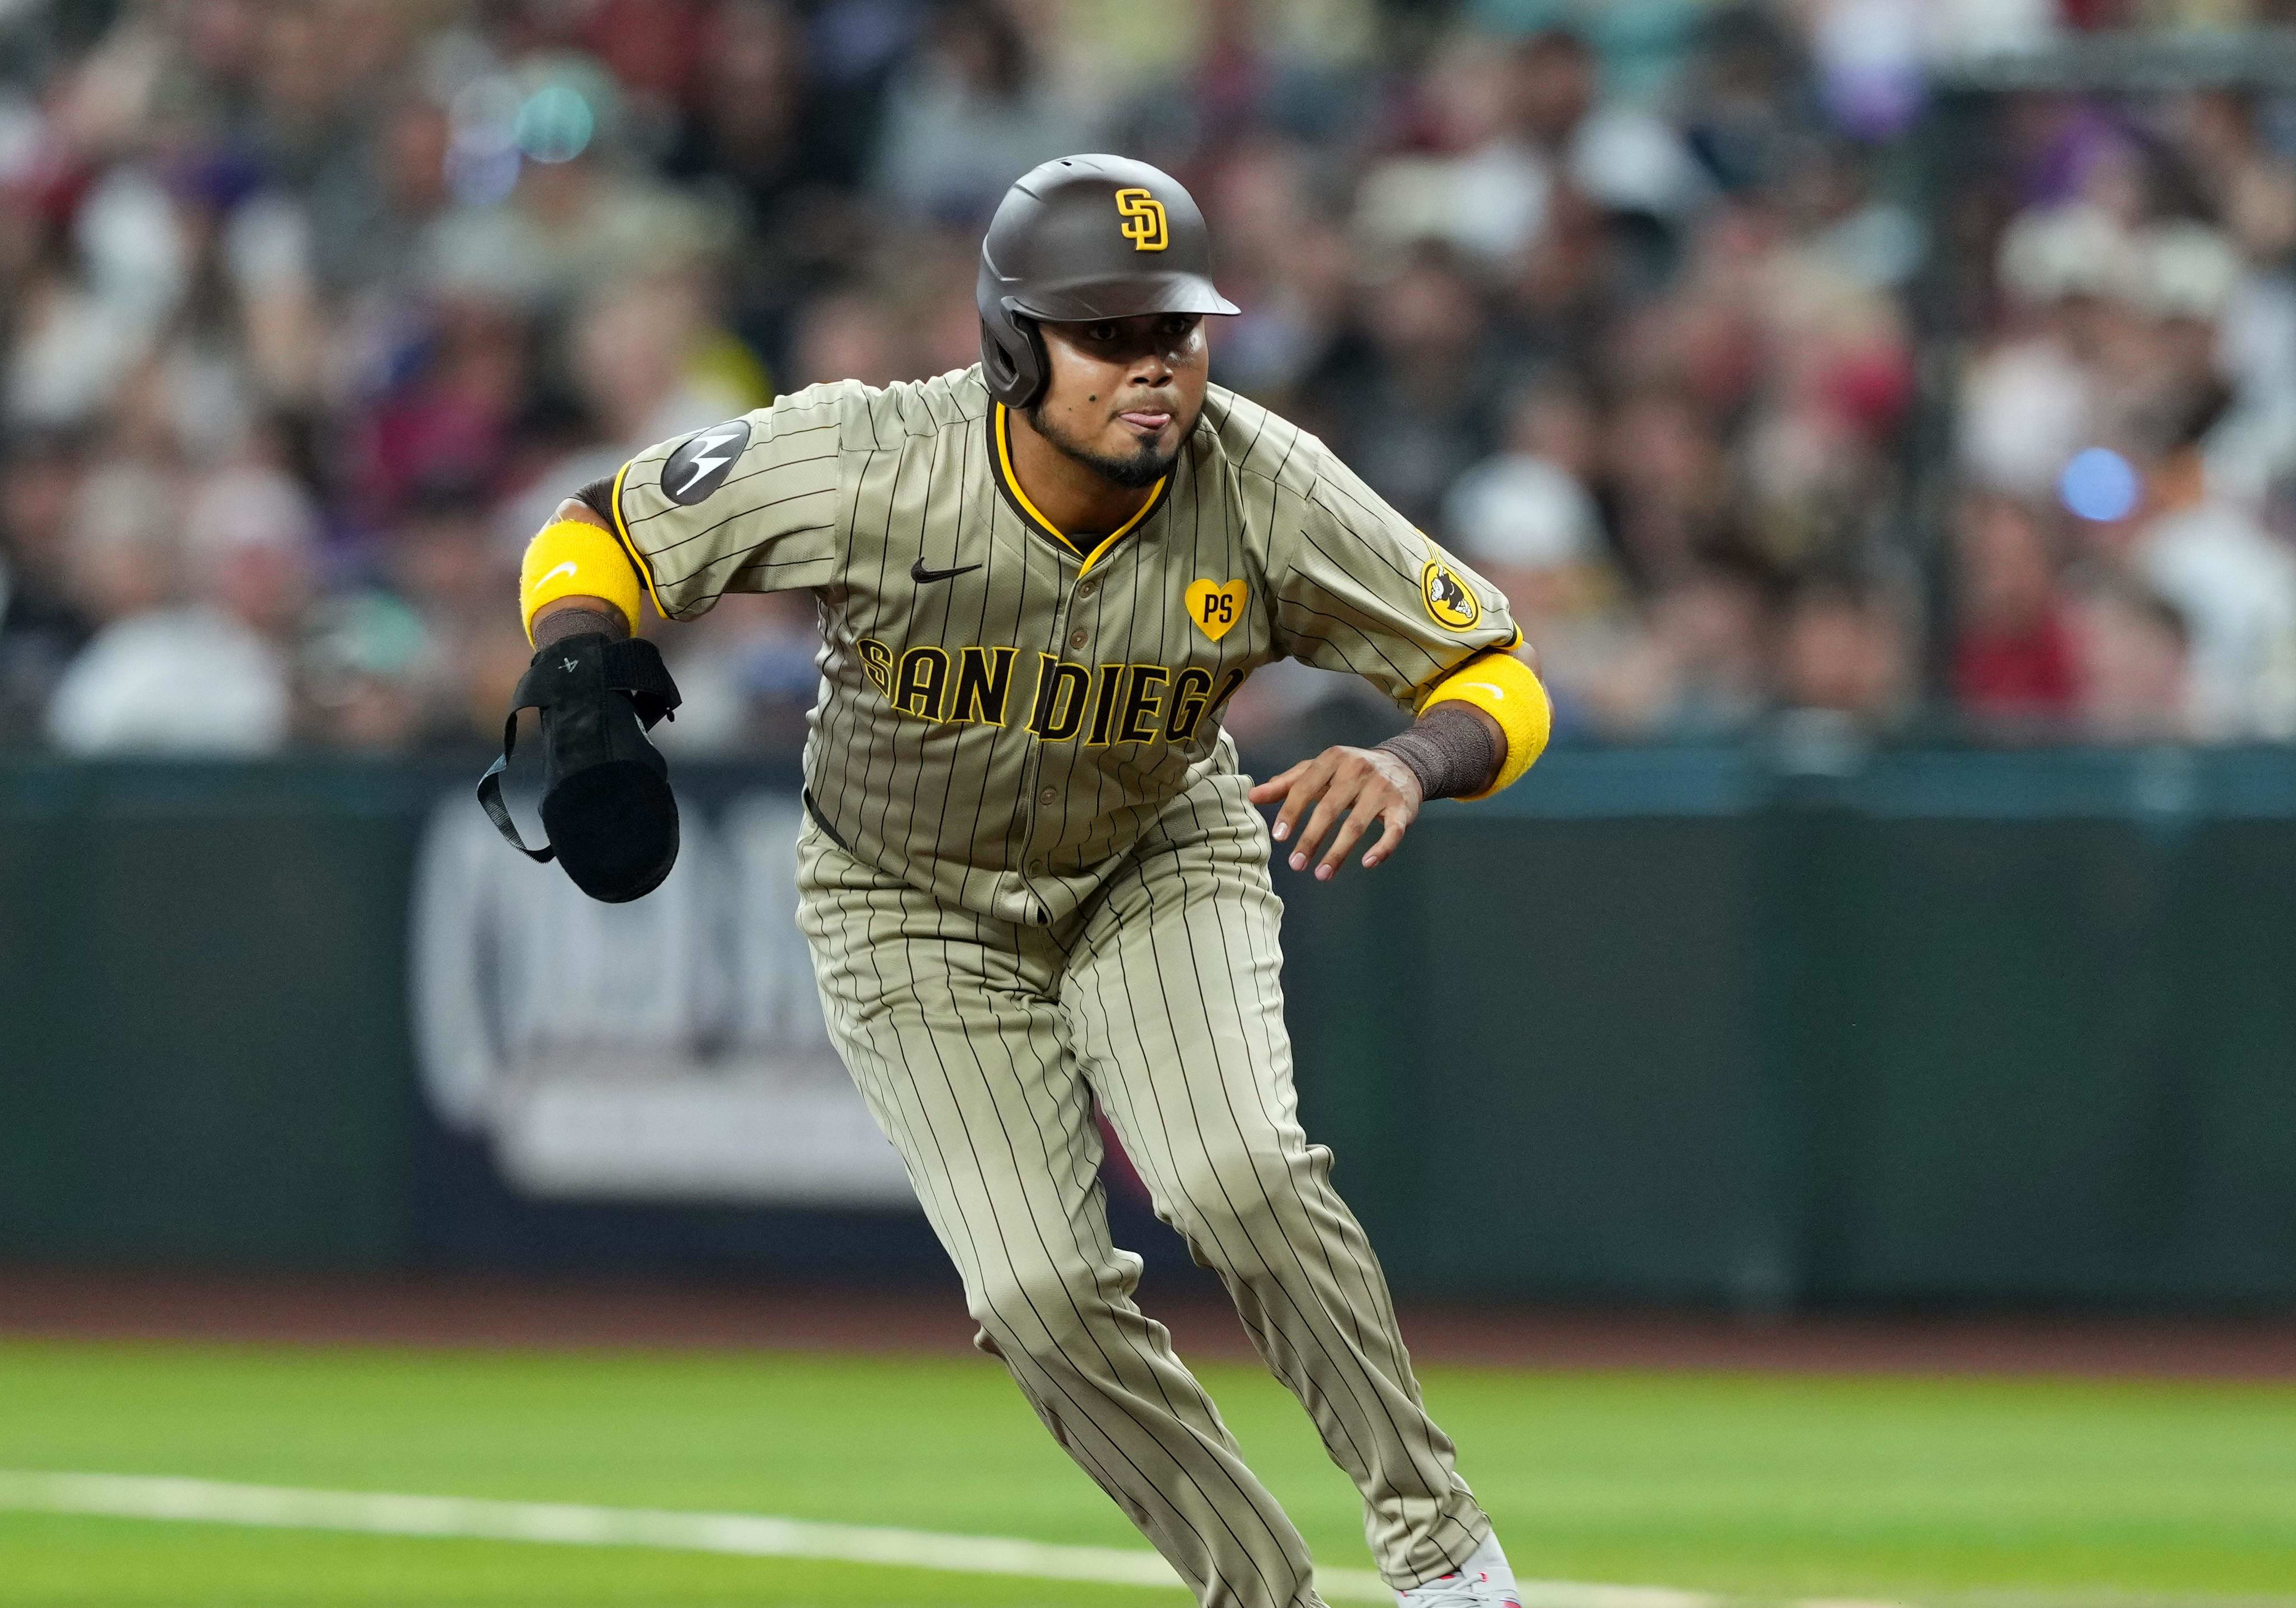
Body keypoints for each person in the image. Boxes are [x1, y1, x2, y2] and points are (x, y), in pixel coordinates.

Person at [483, 156, 1550, 1608]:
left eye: (1174, 332)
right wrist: (574, 657)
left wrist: (1420, 761)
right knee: (1037, 1299)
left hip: (1152, 860)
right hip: (903, 901)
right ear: (1008, 341)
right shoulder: (874, 455)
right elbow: (595, 525)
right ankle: (1264, 1593)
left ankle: (1443, 1554)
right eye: (1107, 338)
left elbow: (1493, 664)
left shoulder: (1261, 481)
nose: (1155, 372)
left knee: (1237, 1178)